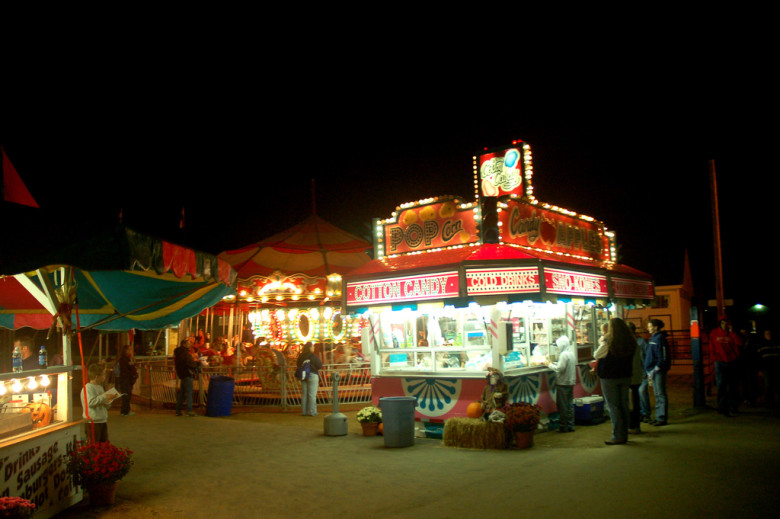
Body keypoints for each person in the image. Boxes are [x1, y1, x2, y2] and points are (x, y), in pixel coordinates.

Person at [594, 318, 636, 445]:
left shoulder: (609, 342)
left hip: (609, 376)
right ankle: (624, 434)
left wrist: (602, 340)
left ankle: (617, 435)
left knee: (613, 406)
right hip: (625, 375)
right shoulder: (631, 341)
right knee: (624, 404)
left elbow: (597, 354)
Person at [708, 316, 741, 416]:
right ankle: (722, 406)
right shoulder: (714, 333)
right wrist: (715, 358)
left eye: (726, 323)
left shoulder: (731, 334)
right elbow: (711, 346)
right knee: (721, 385)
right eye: (722, 323)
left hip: (731, 361)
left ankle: (733, 406)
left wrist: (732, 332)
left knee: (732, 385)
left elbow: (739, 343)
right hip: (720, 361)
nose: (724, 325)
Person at [81, 363, 120, 443]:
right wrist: (105, 396)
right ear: (96, 377)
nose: (104, 377)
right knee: (94, 444)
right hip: (92, 421)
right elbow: (90, 402)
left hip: (102, 419)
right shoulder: (88, 388)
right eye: (103, 375)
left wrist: (109, 401)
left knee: (103, 443)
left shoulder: (100, 387)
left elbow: (102, 402)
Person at [547, 335, 576, 433]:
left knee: (563, 406)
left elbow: (560, 369)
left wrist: (549, 364)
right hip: (570, 382)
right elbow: (563, 366)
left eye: (558, 346)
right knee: (569, 405)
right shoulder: (571, 354)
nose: (558, 348)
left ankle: (563, 426)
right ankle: (570, 425)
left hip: (563, 383)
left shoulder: (563, 355)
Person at [645, 319, 671, 425]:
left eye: (650, 326)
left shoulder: (659, 338)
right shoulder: (654, 338)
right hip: (654, 370)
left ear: (655, 327)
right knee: (657, 394)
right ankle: (658, 416)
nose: (648, 328)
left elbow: (662, 356)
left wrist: (656, 368)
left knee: (660, 394)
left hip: (657, 370)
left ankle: (661, 417)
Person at [627, 322, 646, 433]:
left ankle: (633, 426)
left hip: (632, 377)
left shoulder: (631, 343)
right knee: (635, 401)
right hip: (636, 376)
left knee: (632, 402)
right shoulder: (636, 342)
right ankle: (635, 425)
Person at [296, 342, 322, 416]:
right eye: (313, 347)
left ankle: (304, 411)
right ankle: (312, 411)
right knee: (312, 394)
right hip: (312, 375)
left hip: (303, 376)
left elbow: (297, 364)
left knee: (304, 394)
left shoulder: (301, 356)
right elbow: (319, 365)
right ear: (310, 347)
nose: (313, 348)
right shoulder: (313, 356)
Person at [174, 338, 199, 417]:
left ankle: (178, 410)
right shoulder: (185, 353)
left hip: (182, 374)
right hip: (187, 373)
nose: (190, 344)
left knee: (182, 393)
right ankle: (189, 410)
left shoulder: (178, 353)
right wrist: (197, 364)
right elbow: (189, 363)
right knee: (188, 393)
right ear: (184, 344)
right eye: (188, 343)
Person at [757, 329, 780, 410]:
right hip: (766, 368)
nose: (768, 335)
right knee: (768, 385)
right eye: (766, 334)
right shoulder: (761, 345)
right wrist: (760, 369)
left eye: (769, 333)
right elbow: (759, 358)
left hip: (777, 367)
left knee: (777, 384)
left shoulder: (777, 343)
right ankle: (769, 403)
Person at [117, 344, 138, 416]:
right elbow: (127, 370)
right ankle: (125, 410)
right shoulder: (124, 359)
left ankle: (125, 410)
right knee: (126, 395)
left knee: (127, 395)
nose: (131, 351)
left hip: (127, 379)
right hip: (125, 379)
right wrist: (132, 374)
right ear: (126, 351)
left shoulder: (127, 359)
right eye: (129, 350)